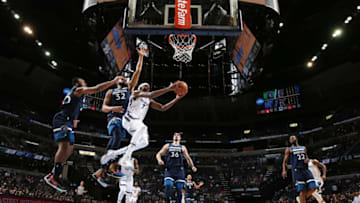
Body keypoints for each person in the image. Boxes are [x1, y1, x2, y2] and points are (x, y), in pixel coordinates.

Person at [44, 75, 123, 193]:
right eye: (83, 81)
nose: (85, 82)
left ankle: (55, 174)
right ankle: (53, 176)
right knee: (64, 146)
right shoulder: (77, 90)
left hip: (69, 122)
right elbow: (97, 89)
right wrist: (113, 81)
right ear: (77, 83)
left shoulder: (79, 97)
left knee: (69, 149)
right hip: (63, 120)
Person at [93, 48, 147, 187]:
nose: (123, 78)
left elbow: (137, 72)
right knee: (116, 136)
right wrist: (113, 108)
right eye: (121, 77)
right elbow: (104, 108)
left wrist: (141, 57)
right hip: (113, 118)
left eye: (125, 77)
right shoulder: (111, 91)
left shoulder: (129, 88)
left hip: (125, 122)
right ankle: (104, 167)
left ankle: (106, 170)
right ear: (117, 80)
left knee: (120, 143)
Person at [100, 82, 185, 166]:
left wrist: (176, 99)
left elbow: (163, 108)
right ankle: (126, 158)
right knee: (143, 128)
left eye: (148, 87)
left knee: (144, 143)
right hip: (128, 119)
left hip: (136, 123)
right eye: (144, 86)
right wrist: (168, 89)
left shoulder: (148, 100)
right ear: (139, 88)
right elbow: (151, 94)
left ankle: (113, 153)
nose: (146, 87)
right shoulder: (136, 93)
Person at [156, 132, 197, 203]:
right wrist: (159, 160)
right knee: (168, 185)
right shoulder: (168, 146)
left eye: (178, 135)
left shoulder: (182, 147)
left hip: (179, 170)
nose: (176, 136)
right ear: (173, 137)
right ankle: (167, 200)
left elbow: (188, 158)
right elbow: (158, 154)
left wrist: (192, 166)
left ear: (180, 138)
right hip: (169, 169)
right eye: (175, 135)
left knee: (179, 189)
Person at [282, 135, 316, 203]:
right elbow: (284, 161)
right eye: (290, 138)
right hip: (297, 170)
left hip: (306, 169)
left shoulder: (303, 148)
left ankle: (301, 198)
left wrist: (307, 160)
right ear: (290, 141)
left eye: (293, 137)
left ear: (296, 139)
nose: (291, 138)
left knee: (313, 188)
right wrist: (284, 170)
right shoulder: (289, 149)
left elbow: (306, 157)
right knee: (302, 191)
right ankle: (302, 199)